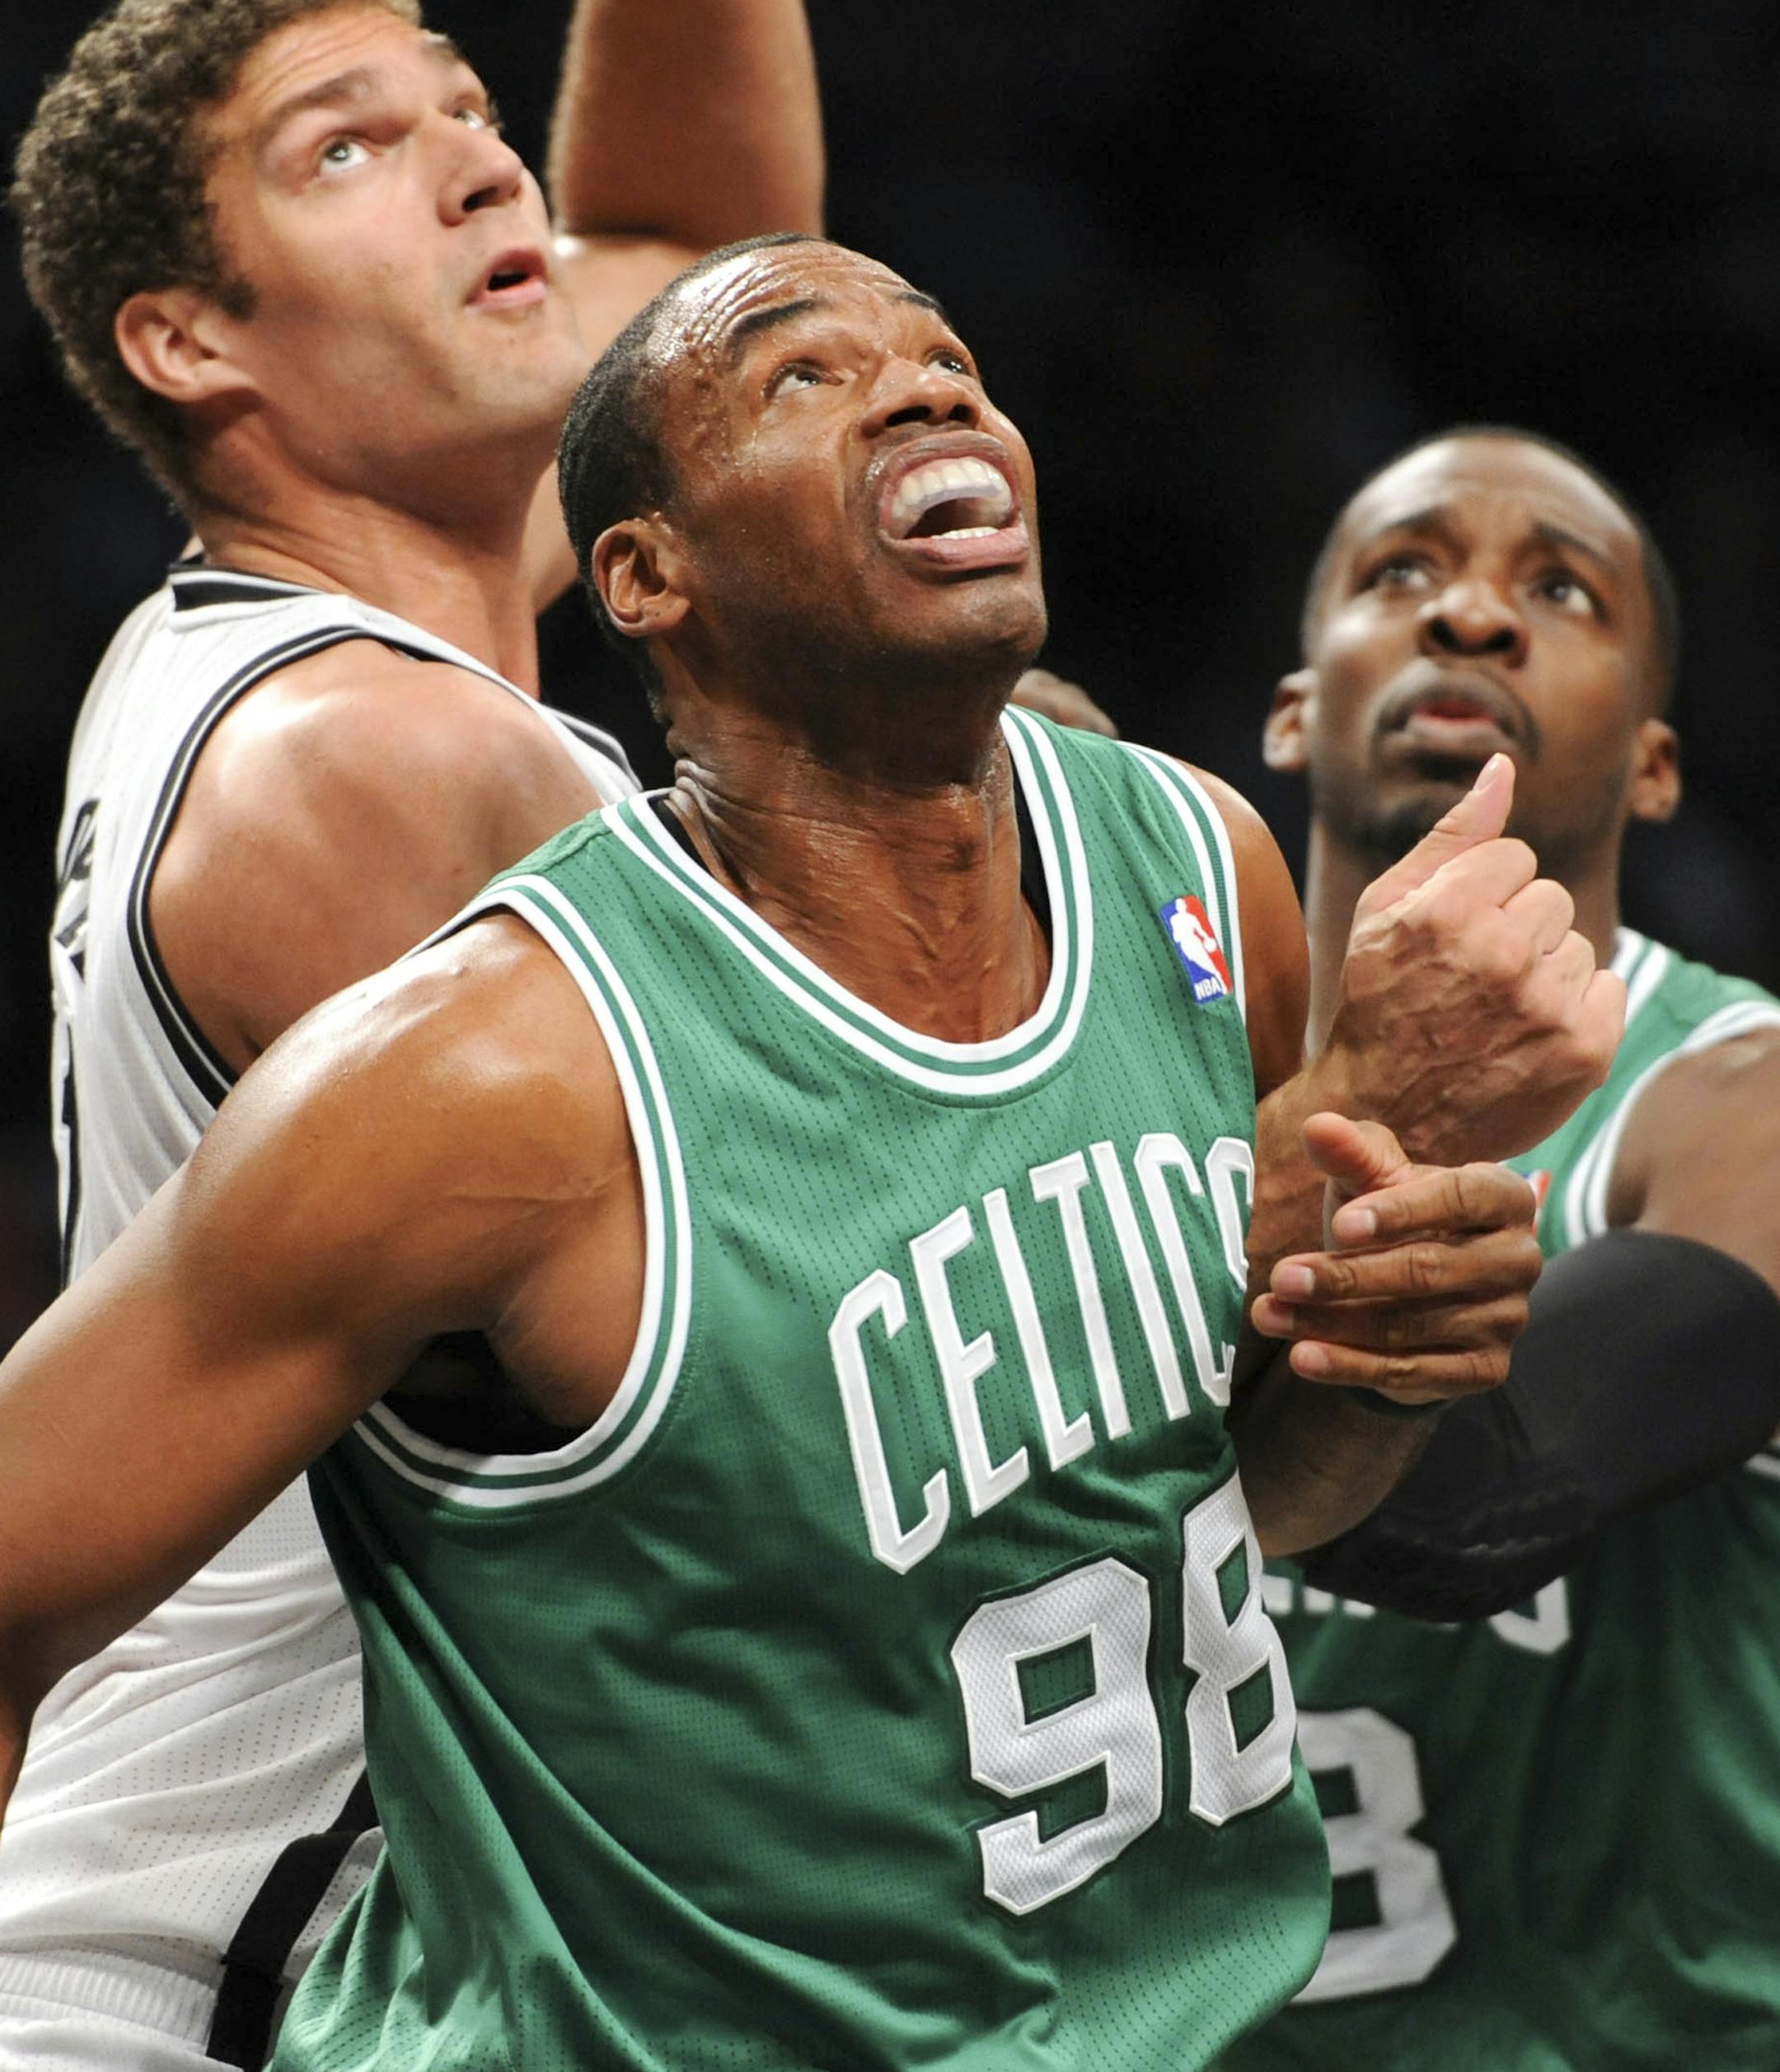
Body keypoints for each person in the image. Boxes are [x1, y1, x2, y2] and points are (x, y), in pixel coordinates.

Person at [0, 236, 1622, 2071]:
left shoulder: (1197, 861)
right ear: (642, 572)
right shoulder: (482, 1078)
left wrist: (1382, 1358)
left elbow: (1227, 1501)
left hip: (1165, 2016)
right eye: (801, 375)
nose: (931, 388)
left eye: (948, 354)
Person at [3, 3, 822, 2065]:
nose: (484, 162)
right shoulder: (366, 763)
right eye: (349, 150)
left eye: (474, 106)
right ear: (193, 341)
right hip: (237, 1968)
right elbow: (816, 1332)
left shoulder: (346, 638)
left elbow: (693, 242)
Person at [1221, 428, 1780, 2070]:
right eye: (1401, 573)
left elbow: (1473, 1509)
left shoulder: (1734, 1098)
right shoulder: (1127, 1083)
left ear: (1659, 764)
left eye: (1561, 587)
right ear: (1292, 710)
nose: (1469, 614)